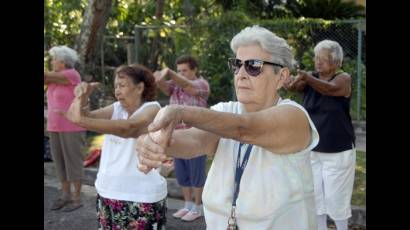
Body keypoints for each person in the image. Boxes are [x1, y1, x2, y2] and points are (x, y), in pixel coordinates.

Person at [136, 25, 320, 229]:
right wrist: (153, 141)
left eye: (253, 65)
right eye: (236, 64)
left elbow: (245, 129)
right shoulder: (226, 111)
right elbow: (195, 139)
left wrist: (181, 111)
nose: (240, 74)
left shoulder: (294, 116)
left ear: (282, 77)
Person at [65, 64, 168, 229]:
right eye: (115, 86)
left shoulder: (152, 108)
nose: (117, 91)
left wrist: (79, 120)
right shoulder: (117, 108)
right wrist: (82, 97)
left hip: (141, 195)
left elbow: (128, 128)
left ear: (140, 87)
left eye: (122, 85)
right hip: (108, 190)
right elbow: (85, 116)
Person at [285, 40, 356, 230]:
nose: (318, 63)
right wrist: (289, 82)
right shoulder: (311, 78)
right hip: (312, 148)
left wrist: (307, 78)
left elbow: (331, 89)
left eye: (324, 60)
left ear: (337, 62)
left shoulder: (343, 78)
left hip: (337, 151)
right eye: (317, 58)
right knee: (315, 197)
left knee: (337, 199)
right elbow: (294, 87)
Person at [154, 55, 210, 221]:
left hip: (197, 137)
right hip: (177, 136)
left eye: (184, 70)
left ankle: (198, 207)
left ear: (194, 70)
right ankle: (188, 206)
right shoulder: (175, 85)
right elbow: (161, 85)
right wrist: (159, 77)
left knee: (197, 174)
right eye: (179, 70)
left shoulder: (202, 84)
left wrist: (169, 72)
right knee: (182, 174)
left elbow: (188, 86)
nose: (181, 74)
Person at [44, 45, 86, 212]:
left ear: (63, 62)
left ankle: (77, 198)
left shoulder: (71, 74)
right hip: (54, 126)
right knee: (59, 162)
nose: (52, 62)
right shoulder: (54, 79)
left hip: (72, 126)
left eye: (54, 59)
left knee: (73, 162)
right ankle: (65, 196)